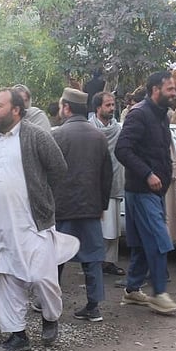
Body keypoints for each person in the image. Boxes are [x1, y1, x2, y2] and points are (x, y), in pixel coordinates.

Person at [0, 88, 78, 351]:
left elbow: (59, 169)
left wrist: (42, 198)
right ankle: (17, 334)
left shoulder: (36, 135)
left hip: (33, 223)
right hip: (0, 225)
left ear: (16, 110)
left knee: (42, 277)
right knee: (6, 279)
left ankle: (50, 317)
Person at [114, 71, 176, 315]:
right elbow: (122, 150)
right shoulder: (139, 114)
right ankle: (159, 294)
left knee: (142, 243)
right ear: (155, 90)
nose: (174, 93)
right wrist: (148, 174)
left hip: (154, 190)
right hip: (142, 189)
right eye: (170, 89)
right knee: (159, 241)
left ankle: (132, 290)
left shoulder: (161, 115)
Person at [51, 89, 112, 322]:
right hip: (90, 207)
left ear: (66, 107)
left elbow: (50, 174)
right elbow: (106, 176)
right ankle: (94, 306)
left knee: (56, 258)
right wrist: (102, 206)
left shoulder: (58, 135)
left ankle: (49, 305)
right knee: (92, 257)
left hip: (62, 208)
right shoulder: (98, 136)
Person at [89, 92, 126, 276]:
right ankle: (95, 261)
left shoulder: (117, 129)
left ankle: (109, 262)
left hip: (115, 182)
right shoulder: (90, 129)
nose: (112, 108)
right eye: (108, 105)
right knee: (98, 227)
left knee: (114, 227)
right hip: (95, 185)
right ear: (98, 108)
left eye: (113, 105)